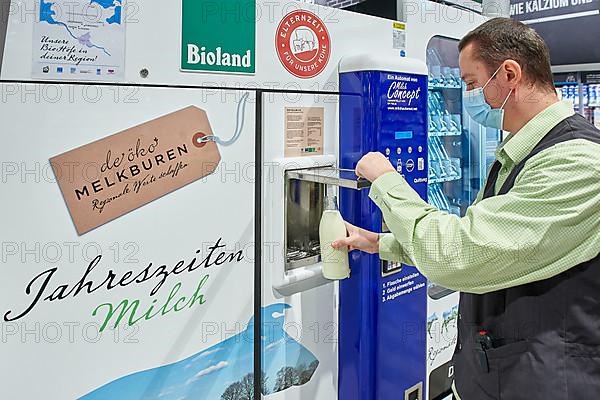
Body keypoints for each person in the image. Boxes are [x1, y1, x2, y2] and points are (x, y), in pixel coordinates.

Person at [332, 17, 600, 399]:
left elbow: (459, 254)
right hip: (504, 375)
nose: (468, 97)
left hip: (548, 382)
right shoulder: (523, 151)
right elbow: (492, 243)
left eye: (472, 84)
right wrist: (381, 244)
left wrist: (387, 181)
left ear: (509, 73)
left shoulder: (577, 163)